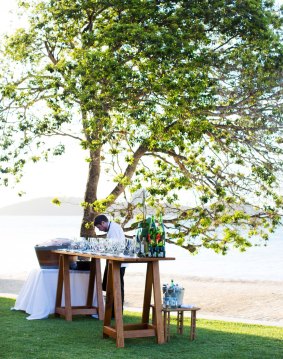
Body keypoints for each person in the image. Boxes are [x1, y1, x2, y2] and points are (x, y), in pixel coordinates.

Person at [94, 214, 127, 316]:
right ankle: (111, 311)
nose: (99, 230)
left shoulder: (114, 229)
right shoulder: (112, 228)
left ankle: (116, 312)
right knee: (110, 286)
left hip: (118, 262)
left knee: (117, 286)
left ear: (103, 222)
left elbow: (114, 247)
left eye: (99, 227)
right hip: (113, 260)